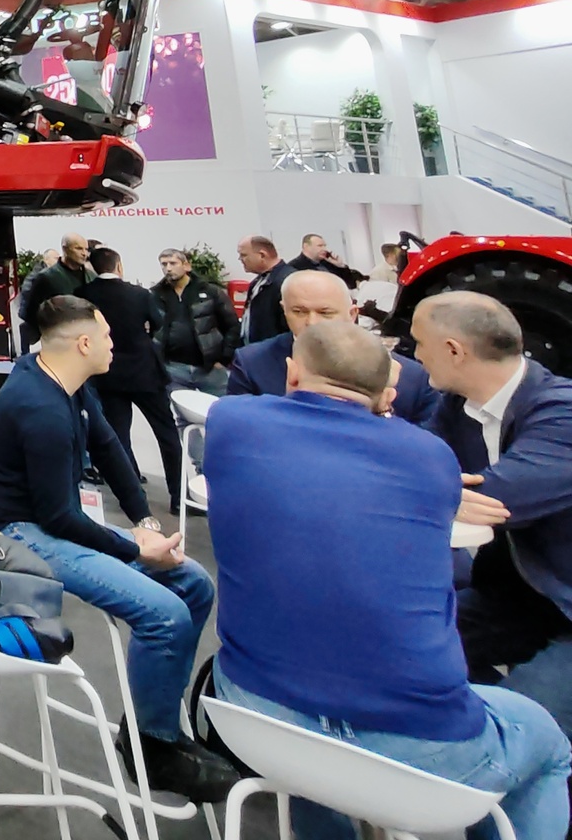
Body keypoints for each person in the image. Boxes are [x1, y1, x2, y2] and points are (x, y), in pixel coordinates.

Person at [207, 316, 572, 840]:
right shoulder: (428, 458)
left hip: (257, 717)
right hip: (417, 744)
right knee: (546, 742)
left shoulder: (230, 423)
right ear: (390, 392)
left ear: (291, 375)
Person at [0, 295, 232, 801]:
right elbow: (58, 518)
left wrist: (146, 523)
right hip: (19, 534)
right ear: (85, 343)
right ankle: (151, 746)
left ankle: (155, 719)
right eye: (110, 336)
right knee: (165, 614)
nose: (118, 343)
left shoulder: (67, 382)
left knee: (196, 585)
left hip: (53, 522)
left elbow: (109, 448)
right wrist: (134, 551)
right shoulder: (39, 406)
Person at [420, 292, 572, 741]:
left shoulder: (561, 410)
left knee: (518, 731)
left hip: (563, 600)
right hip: (522, 596)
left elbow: (502, 499)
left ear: (453, 350)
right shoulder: (456, 405)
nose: (414, 354)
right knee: (404, 651)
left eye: (418, 342)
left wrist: (442, 491)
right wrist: (448, 491)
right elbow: (411, 464)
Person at [227, 268, 441, 423]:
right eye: (299, 312)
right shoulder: (252, 365)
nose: (312, 322)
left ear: (352, 314)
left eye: (325, 313)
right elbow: (241, 432)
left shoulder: (412, 379)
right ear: (284, 310)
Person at [80, 247, 183, 511]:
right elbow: (159, 323)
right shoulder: (140, 294)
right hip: (145, 372)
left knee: (118, 435)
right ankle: (177, 496)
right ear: (119, 266)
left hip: (108, 374)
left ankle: (133, 494)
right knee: (166, 433)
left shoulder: (84, 296)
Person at [150, 248, 235, 396]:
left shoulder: (210, 291)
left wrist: (224, 358)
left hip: (209, 367)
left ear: (186, 266)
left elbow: (232, 325)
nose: (168, 268)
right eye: (164, 264)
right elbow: (151, 328)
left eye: (173, 263)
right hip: (174, 368)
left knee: (221, 410)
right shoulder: (156, 294)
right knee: (184, 415)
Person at [17, 233, 92, 354]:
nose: (84, 253)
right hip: (56, 340)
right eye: (78, 248)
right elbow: (31, 312)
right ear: (65, 249)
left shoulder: (91, 276)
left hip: (84, 340)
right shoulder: (46, 278)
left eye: (86, 249)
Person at [235, 234, 292, 344]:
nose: (240, 259)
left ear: (262, 255)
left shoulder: (288, 281)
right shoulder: (258, 282)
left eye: (244, 255)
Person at [288, 231, 364, 288]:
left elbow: (351, 285)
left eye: (325, 246)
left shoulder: (328, 262)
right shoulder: (294, 267)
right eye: (320, 246)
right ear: (306, 246)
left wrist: (341, 266)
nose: (324, 249)